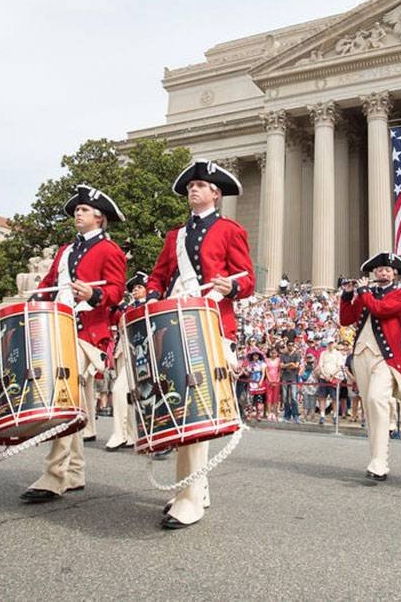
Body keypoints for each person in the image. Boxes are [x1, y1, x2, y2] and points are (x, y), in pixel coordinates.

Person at [145, 159, 255, 529]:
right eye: (191, 185)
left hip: (210, 322)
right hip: (175, 319)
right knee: (181, 407)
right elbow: (160, 275)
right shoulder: (175, 235)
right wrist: (152, 293)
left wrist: (232, 286)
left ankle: (190, 496)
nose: (194, 188)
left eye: (201, 185)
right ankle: (190, 489)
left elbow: (248, 279)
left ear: (215, 193)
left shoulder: (229, 230)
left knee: (197, 408)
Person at [21, 185, 127, 503]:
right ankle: (75, 472)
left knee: (62, 397)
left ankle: (53, 476)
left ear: (99, 217)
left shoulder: (110, 250)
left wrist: (93, 294)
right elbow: (50, 283)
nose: (77, 213)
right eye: (76, 210)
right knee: (73, 403)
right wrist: (35, 300)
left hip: (87, 333)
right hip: (60, 327)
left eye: (83, 209)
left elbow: (116, 291)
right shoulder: (67, 250)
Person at [339, 252, 401, 481]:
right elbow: (346, 319)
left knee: (375, 400)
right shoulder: (365, 293)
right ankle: (377, 458)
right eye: (379, 270)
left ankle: (380, 459)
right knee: (370, 411)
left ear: (394, 273)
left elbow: (381, 310)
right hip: (361, 353)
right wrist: (347, 295)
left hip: (385, 356)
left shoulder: (400, 293)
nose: (382, 273)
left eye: (387, 270)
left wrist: (363, 292)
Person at [106, 271, 147, 451]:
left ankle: (120, 434)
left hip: (139, 352)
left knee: (119, 390)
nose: (136, 290)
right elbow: (111, 318)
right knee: (129, 395)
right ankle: (131, 435)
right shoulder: (128, 307)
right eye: (134, 288)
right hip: (123, 350)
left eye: (139, 287)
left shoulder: (148, 306)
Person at [316, 340, 348, 425]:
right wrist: (325, 375)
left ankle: (335, 416)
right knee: (322, 397)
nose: (330, 345)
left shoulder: (338, 354)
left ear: (334, 344)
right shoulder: (323, 353)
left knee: (335, 398)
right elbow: (320, 365)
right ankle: (322, 416)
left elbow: (339, 366)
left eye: (331, 343)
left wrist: (331, 375)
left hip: (334, 378)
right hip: (323, 377)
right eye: (329, 343)